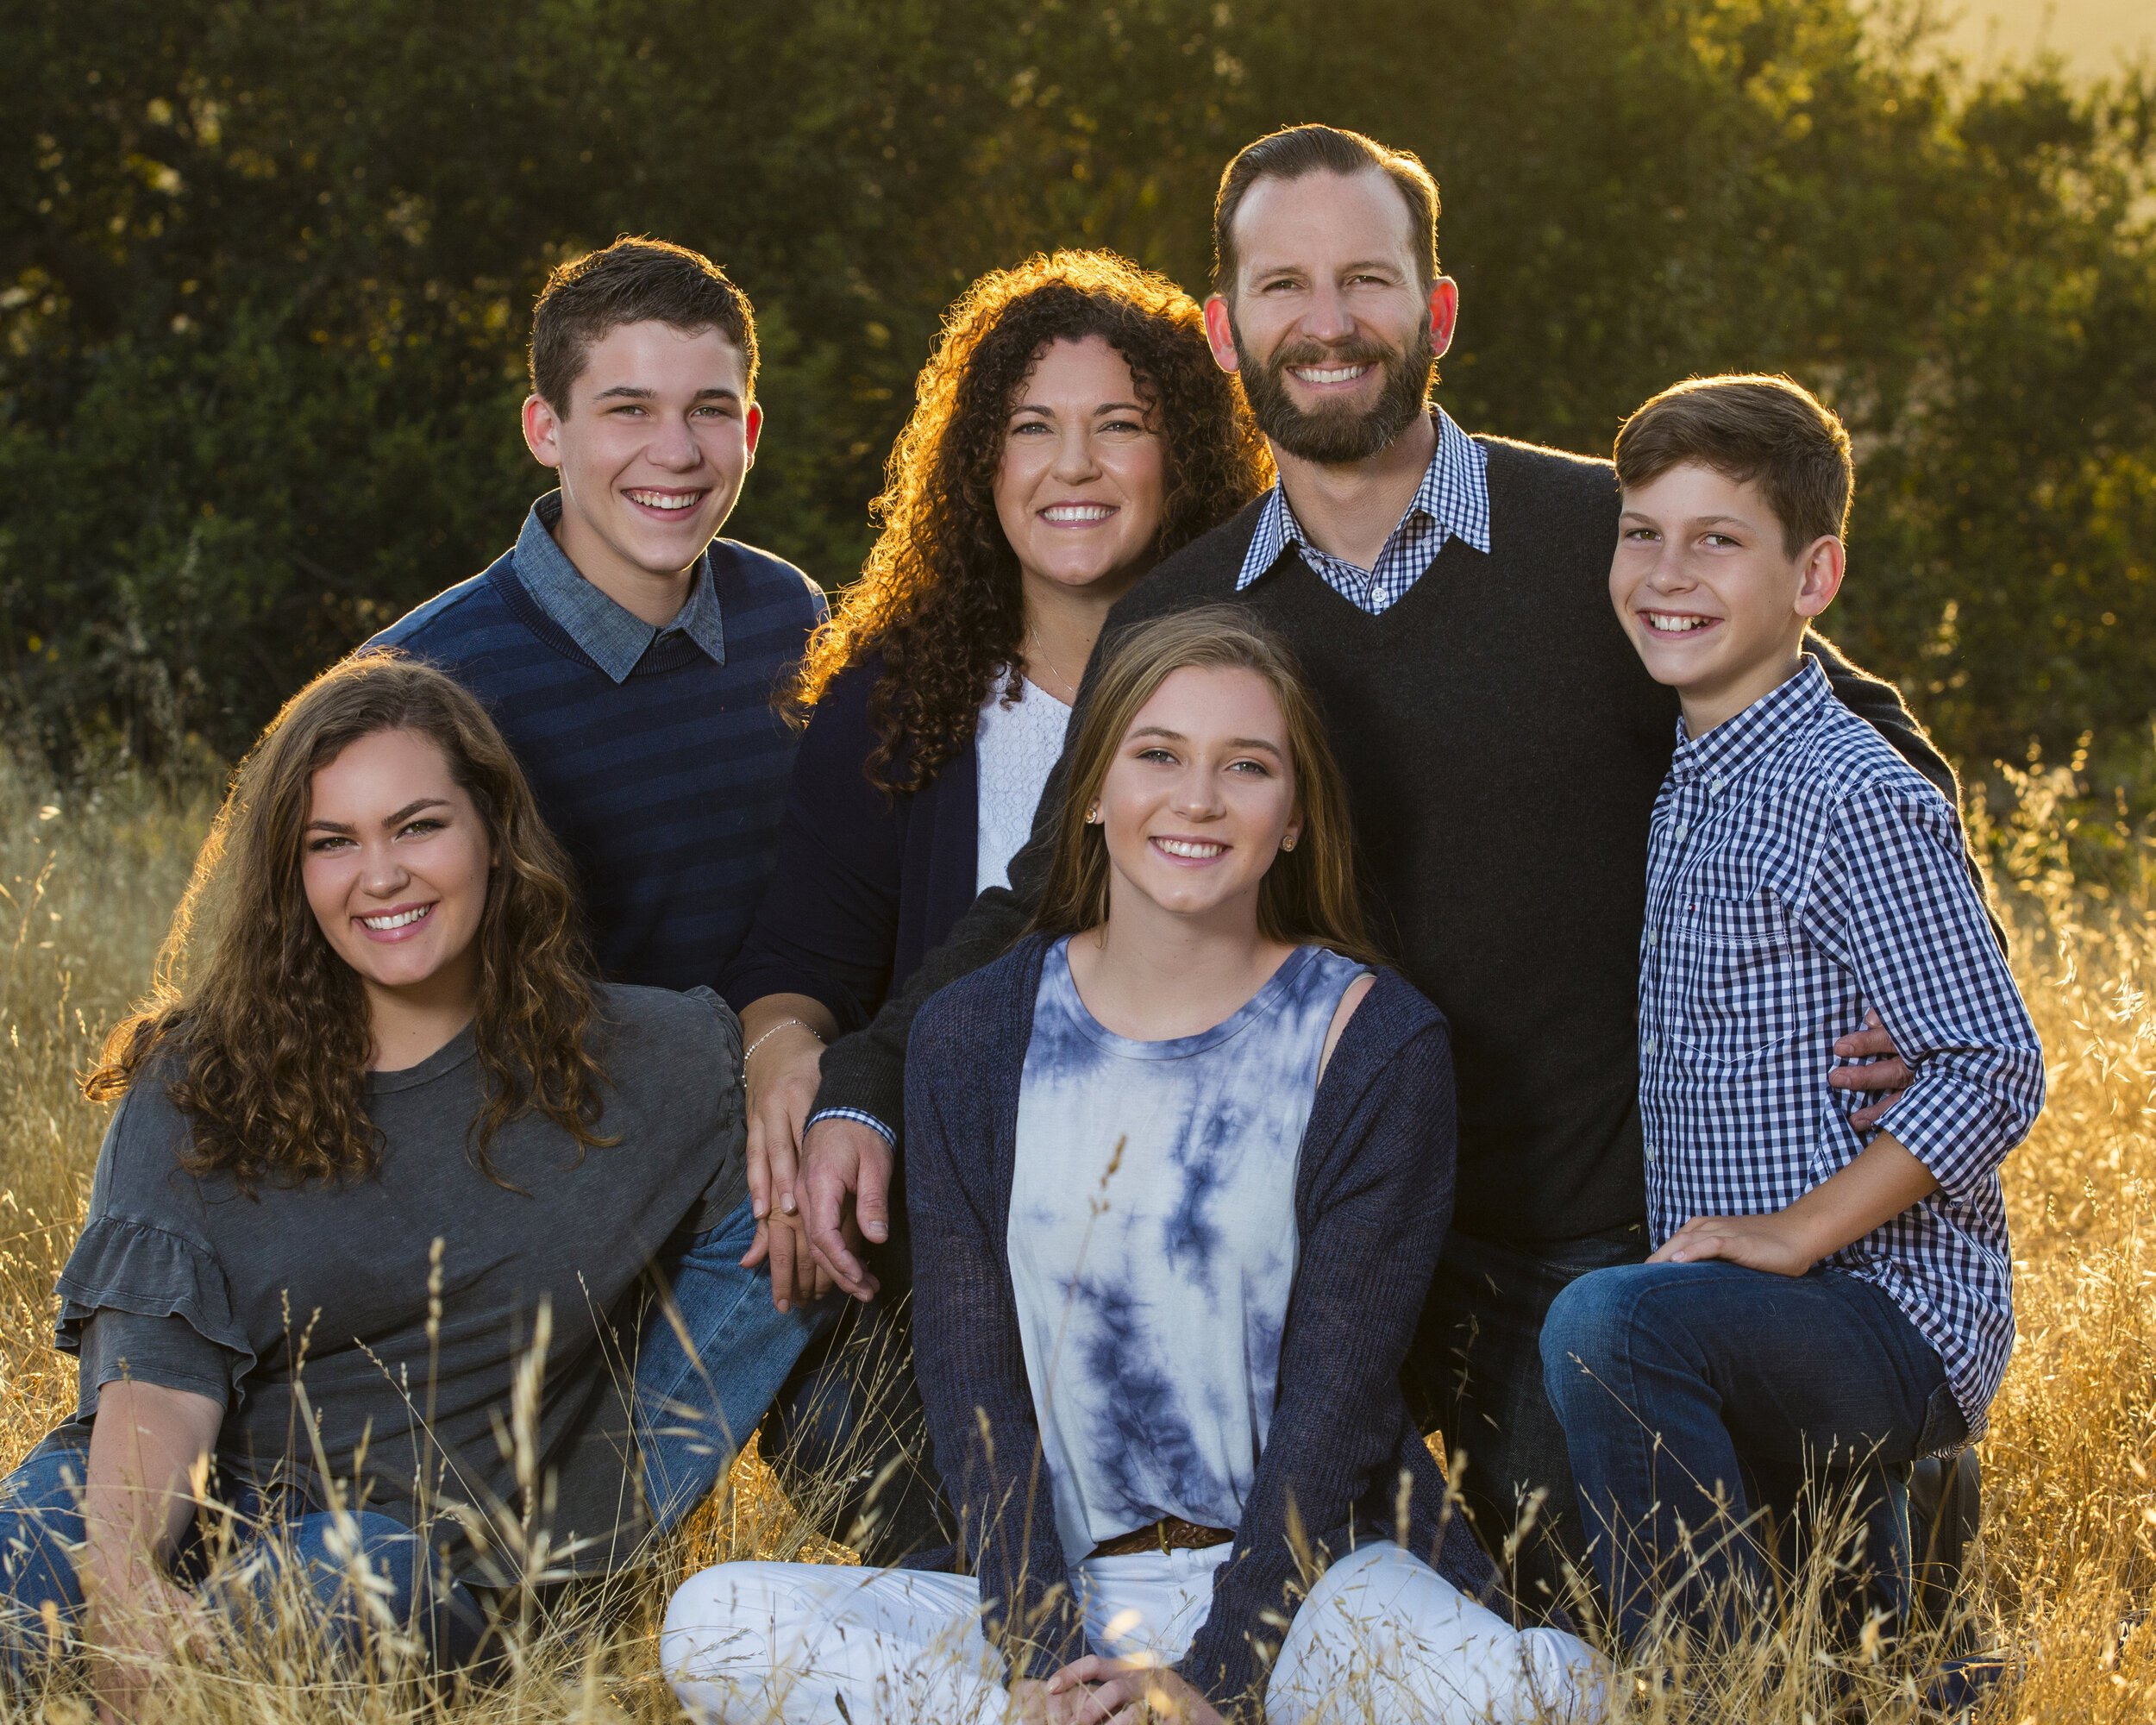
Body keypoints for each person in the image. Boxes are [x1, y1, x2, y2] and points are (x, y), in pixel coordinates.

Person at [791, 123, 1965, 1615]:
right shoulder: (1186, 608)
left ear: (1438, 312)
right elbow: (1048, 895)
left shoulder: (1592, 537)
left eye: (1368, 279)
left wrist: (1898, 973)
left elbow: (1840, 717)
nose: (1328, 320)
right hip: (1309, 1252)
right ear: (1226, 333)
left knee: (1675, 1635)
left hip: (1574, 1238)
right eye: (1284, 286)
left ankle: (1893, 1512)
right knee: (1317, 1616)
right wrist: (862, 1082)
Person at [663, 610, 1605, 1725]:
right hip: (1064, 1585)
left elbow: (1335, 1414)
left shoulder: (1371, 1042)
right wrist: (1047, 1664)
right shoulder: (974, 1036)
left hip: (1311, 1586)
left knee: (1545, 1697)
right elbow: (976, 1400)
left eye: (1245, 767)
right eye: (1157, 755)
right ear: (1092, 792)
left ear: (1295, 815)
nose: (1197, 800)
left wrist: (1214, 1682)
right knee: (715, 1623)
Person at [0, 657, 776, 1705]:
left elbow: (796, 1205)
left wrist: (600, 1521)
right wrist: (128, 1581)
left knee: (337, 1575)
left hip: (403, 1559)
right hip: (169, 1503)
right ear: (293, 872)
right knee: (25, 1561)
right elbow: (155, 1374)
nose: (382, 874)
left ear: (494, 835)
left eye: (418, 826)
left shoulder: (654, 1060)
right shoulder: (201, 1076)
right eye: (333, 842)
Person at [720, 252, 1267, 1558]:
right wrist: (789, 1060)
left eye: (1117, 427)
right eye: (1033, 429)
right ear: (980, 464)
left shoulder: (1257, 691)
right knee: (803, 1376)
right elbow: (800, 955)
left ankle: (1120, 1584)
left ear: (1182, 455)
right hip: (941, 1251)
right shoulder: (898, 700)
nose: (1071, 466)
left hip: (1192, 1251)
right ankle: (1007, 1602)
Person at [1538, 376, 2043, 1650]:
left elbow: (1994, 1063)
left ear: (1813, 578)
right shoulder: (1700, 769)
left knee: (1608, 1324)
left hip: (1890, 1314)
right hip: (1776, 1325)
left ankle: (1713, 1689)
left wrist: (1792, 1234)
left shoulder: (1841, 792)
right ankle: (1834, 1654)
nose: (1668, 571)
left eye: (1718, 540)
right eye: (1643, 532)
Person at [367, 236, 833, 1507]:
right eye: (626, 409)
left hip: (768, 1159)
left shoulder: (791, 620)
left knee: (907, 1479)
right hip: (530, 1190)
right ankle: (567, 1566)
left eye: (706, 412)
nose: (673, 455)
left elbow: (837, 895)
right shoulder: (422, 690)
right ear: (546, 429)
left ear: (750, 425)